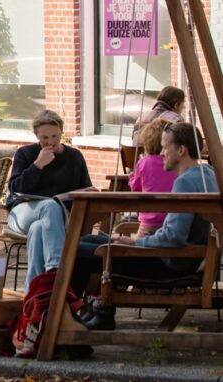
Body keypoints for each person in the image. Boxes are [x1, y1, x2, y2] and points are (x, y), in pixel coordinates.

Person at [72, 123, 218, 307]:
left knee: (75, 250)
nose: (161, 153)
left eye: (165, 147)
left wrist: (135, 242)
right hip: (186, 259)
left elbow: (174, 237)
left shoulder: (185, 182)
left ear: (181, 150)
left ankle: (66, 311)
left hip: (169, 265)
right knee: (86, 240)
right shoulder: (208, 173)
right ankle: (78, 308)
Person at [5, 109, 92, 291]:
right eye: (44, 137)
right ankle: (56, 268)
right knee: (49, 206)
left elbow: (86, 190)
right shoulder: (26, 154)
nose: (50, 142)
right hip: (23, 212)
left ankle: (34, 293)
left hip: (56, 220)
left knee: (39, 229)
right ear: (36, 135)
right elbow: (15, 189)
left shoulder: (74, 157)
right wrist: (38, 165)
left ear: (61, 132)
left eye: (55, 136)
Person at [128, 119, 177, 236]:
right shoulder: (175, 162)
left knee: (139, 249)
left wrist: (131, 177)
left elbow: (135, 188)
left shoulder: (144, 162)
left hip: (149, 222)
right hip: (172, 219)